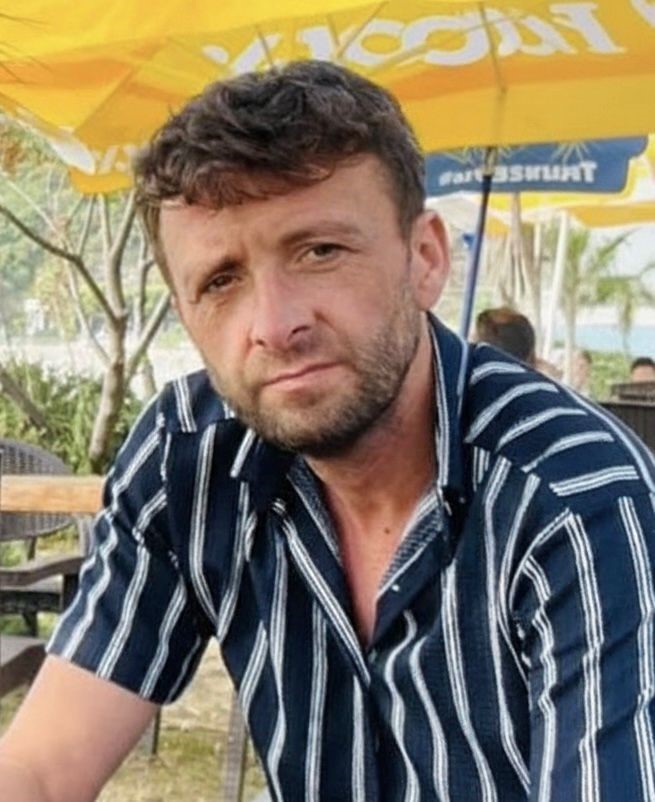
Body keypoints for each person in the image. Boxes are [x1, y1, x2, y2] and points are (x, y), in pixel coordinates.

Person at [2, 60, 655, 802]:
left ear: (425, 258)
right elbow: (41, 769)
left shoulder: (576, 498)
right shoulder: (190, 458)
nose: (274, 325)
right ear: (185, 313)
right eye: (221, 281)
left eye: (320, 252)